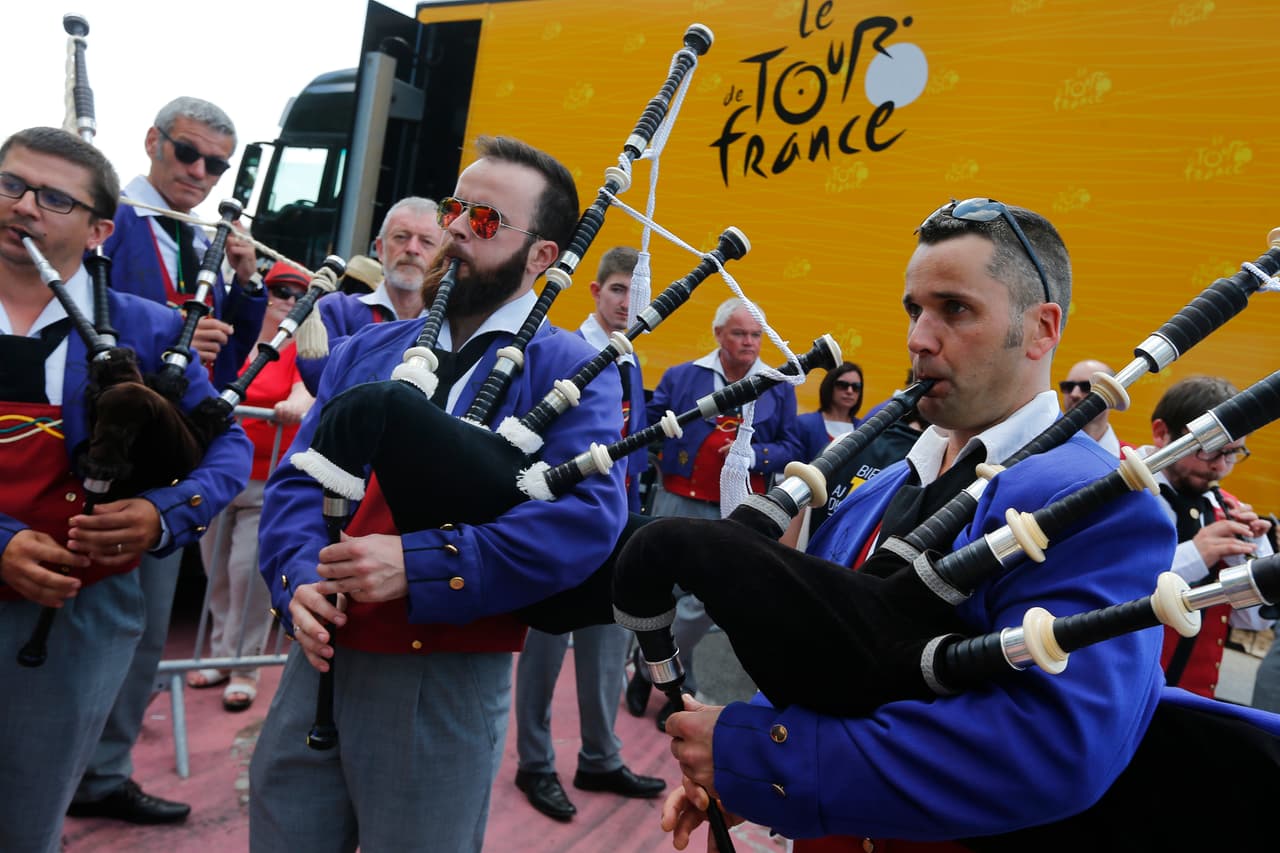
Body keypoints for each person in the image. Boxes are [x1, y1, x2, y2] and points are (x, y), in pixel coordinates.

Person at [658, 197, 1199, 850]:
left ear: (1041, 329)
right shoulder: (875, 491)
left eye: (955, 308)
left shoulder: (1099, 501)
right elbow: (828, 665)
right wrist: (740, 771)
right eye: (914, 309)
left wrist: (760, 756)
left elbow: (1053, 747)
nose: (918, 336)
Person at [248, 135, 629, 852]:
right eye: (457, 208)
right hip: (320, 652)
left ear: (541, 256)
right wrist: (295, 575)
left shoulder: (573, 366)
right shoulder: (370, 348)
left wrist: (418, 563)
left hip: (442, 669)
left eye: (484, 221)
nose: (454, 228)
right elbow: (303, 476)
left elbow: (585, 520)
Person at [0, 126, 251, 852]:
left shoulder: (146, 328)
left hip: (78, 616)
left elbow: (227, 445)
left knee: (27, 814)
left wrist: (163, 510)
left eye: (53, 198)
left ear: (101, 228)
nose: (23, 208)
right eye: (11, 185)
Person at [67, 95, 264, 825]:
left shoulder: (207, 236)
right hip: (93, 439)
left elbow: (237, 357)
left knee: (143, 629)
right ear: (152, 142)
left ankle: (104, 770)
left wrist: (242, 291)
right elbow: (83, 307)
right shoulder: (104, 218)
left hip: (172, 455)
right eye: (188, 153)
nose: (202, 172)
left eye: (217, 163)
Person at [513, 246, 663, 822]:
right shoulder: (557, 351)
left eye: (636, 292)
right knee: (543, 653)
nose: (628, 302)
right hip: (556, 525)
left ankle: (600, 756)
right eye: (619, 289)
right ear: (595, 291)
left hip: (615, 522)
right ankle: (535, 761)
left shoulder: (631, 360)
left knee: (605, 650)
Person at [625, 296, 801, 731]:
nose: (749, 343)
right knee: (658, 594)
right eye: (740, 333)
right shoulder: (684, 375)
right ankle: (674, 687)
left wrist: (753, 454)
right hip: (677, 496)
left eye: (756, 335)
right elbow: (651, 421)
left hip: (737, 511)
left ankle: (647, 666)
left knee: (707, 601)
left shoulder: (777, 384)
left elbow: (793, 447)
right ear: (719, 334)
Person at [191, 261, 316, 712]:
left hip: (265, 481)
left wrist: (292, 405)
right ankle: (224, 657)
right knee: (216, 576)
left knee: (247, 575)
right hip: (217, 477)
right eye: (278, 290)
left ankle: (243, 666)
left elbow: (309, 389)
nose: (286, 299)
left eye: (297, 294)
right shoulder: (235, 338)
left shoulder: (302, 346)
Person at [1140, 375, 1274, 700]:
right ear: (1161, 433)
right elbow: (1107, 588)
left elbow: (1253, 623)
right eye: (1209, 451)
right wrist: (1197, 554)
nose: (1219, 468)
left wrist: (1254, 553)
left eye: (1233, 453)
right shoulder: (1115, 488)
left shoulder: (1224, 506)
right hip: (1116, 694)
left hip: (1188, 704)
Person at [297, 197, 442, 394]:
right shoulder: (336, 309)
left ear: (442, 257)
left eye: (426, 242)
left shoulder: (451, 326)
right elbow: (319, 377)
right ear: (380, 249)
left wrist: (352, 352)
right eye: (401, 237)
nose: (412, 249)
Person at [794, 361, 865, 463]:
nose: (850, 391)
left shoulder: (864, 429)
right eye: (842, 385)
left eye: (856, 387)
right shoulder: (804, 424)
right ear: (829, 386)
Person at [1059, 358, 1122, 455]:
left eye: (1087, 387)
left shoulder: (1136, 461)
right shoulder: (1039, 451)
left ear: (1111, 396)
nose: (1074, 394)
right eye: (1069, 386)